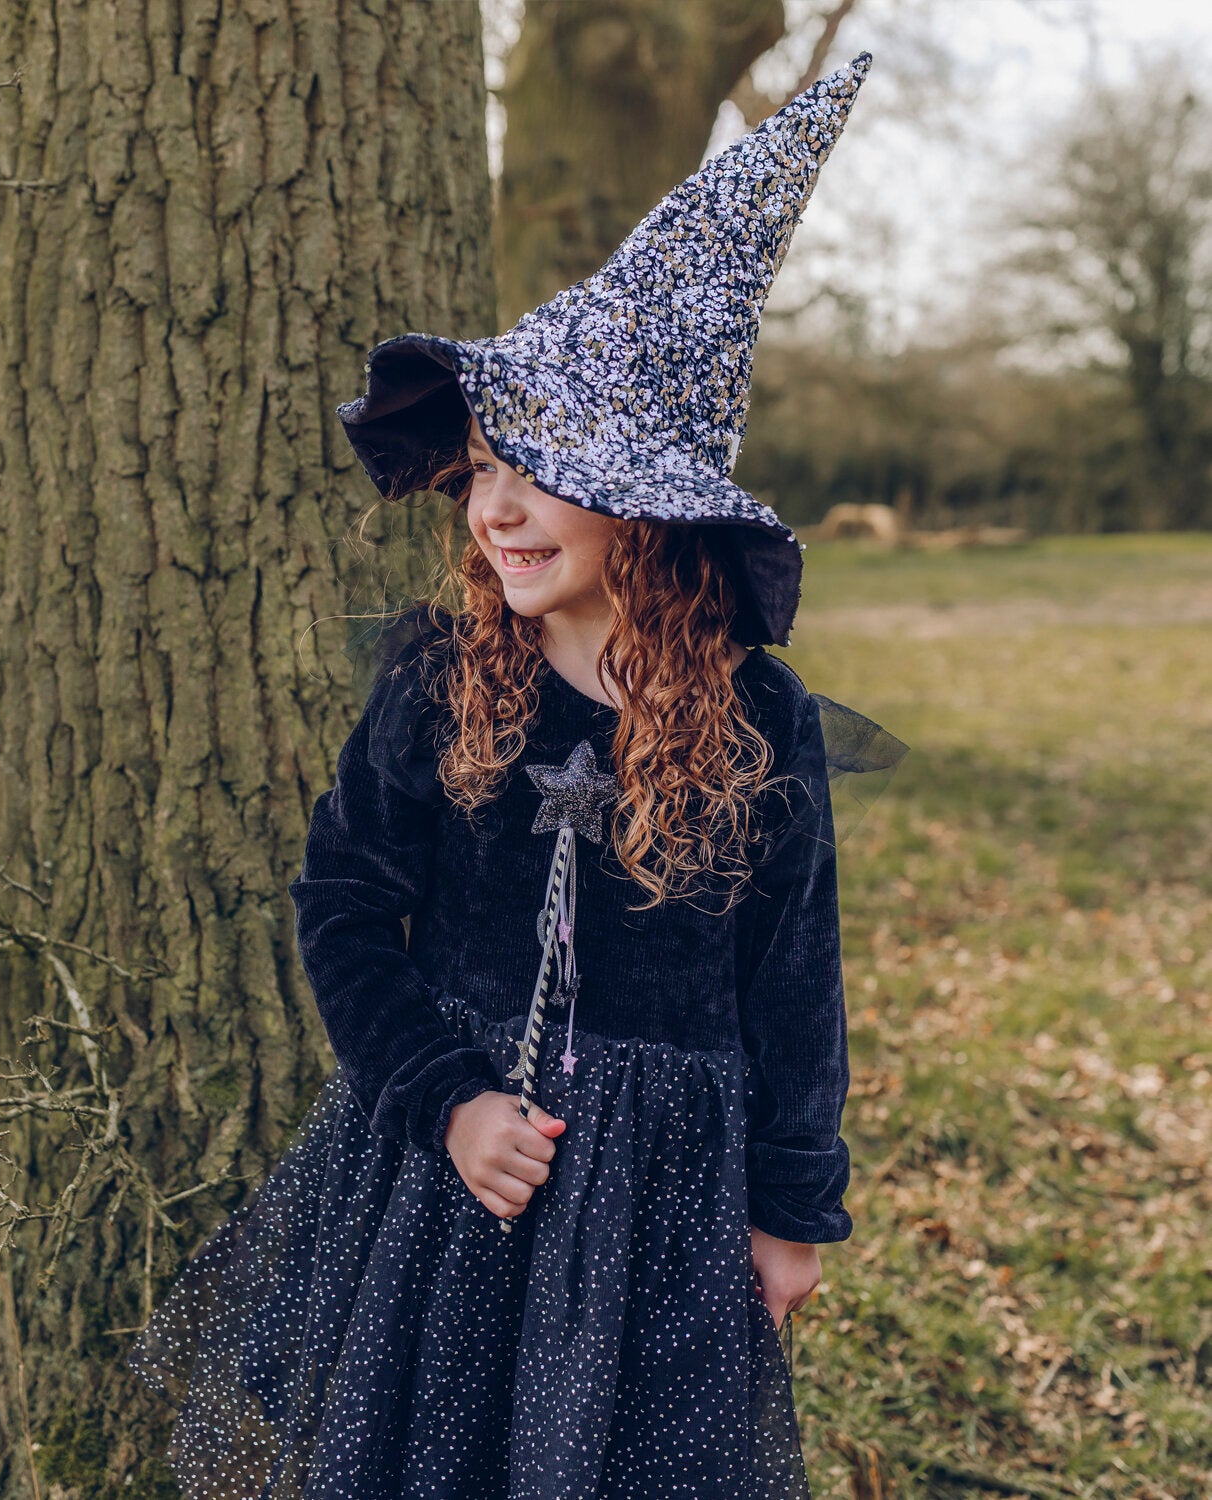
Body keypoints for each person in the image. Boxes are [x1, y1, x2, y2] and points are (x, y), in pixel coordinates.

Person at [129, 50, 906, 1500]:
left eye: (536, 466)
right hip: (455, 1178)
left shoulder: (759, 721)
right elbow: (343, 905)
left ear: (646, 497)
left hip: (663, 1206)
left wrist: (792, 1208)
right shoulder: (443, 675)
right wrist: (446, 1099)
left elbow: (795, 978)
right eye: (482, 465)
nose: (493, 505)